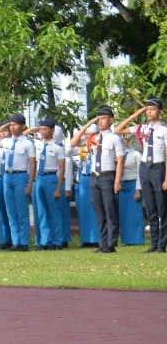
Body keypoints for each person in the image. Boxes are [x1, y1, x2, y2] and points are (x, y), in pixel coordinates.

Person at [70, 106, 125, 253]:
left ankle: (111, 243)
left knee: (110, 210)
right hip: (95, 177)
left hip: (108, 175)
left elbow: (120, 160)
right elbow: (73, 143)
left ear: (111, 120)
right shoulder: (94, 138)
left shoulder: (114, 138)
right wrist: (88, 124)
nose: (100, 122)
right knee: (99, 211)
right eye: (98, 119)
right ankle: (102, 242)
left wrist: (117, 180)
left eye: (103, 118)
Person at [123, 99, 166, 252]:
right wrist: (137, 113)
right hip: (145, 168)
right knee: (150, 208)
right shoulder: (143, 128)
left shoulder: (164, 129)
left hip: (158, 167)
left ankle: (162, 244)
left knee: (162, 208)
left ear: (160, 111)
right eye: (147, 109)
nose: (149, 112)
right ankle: (154, 243)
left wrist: (166, 178)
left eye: (152, 109)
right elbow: (118, 129)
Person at [0, 114, 36, 251]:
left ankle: (23, 242)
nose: (12, 127)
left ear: (22, 126)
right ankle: (16, 242)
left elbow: (33, 164)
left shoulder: (28, 143)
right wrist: (3, 127)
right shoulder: (6, 141)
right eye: (10, 125)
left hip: (21, 176)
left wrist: (30, 184)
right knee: (10, 211)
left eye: (15, 125)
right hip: (7, 177)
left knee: (21, 211)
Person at [29, 118, 67, 250]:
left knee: (53, 211)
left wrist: (59, 188)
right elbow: (23, 135)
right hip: (38, 178)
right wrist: (35, 129)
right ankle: (44, 241)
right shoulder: (36, 145)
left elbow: (62, 168)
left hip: (51, 177)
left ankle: (57, 241)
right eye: (40, 129)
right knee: (40, 212)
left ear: (52, 130)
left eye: (45, 129)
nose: (42, 131)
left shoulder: (58, 146)